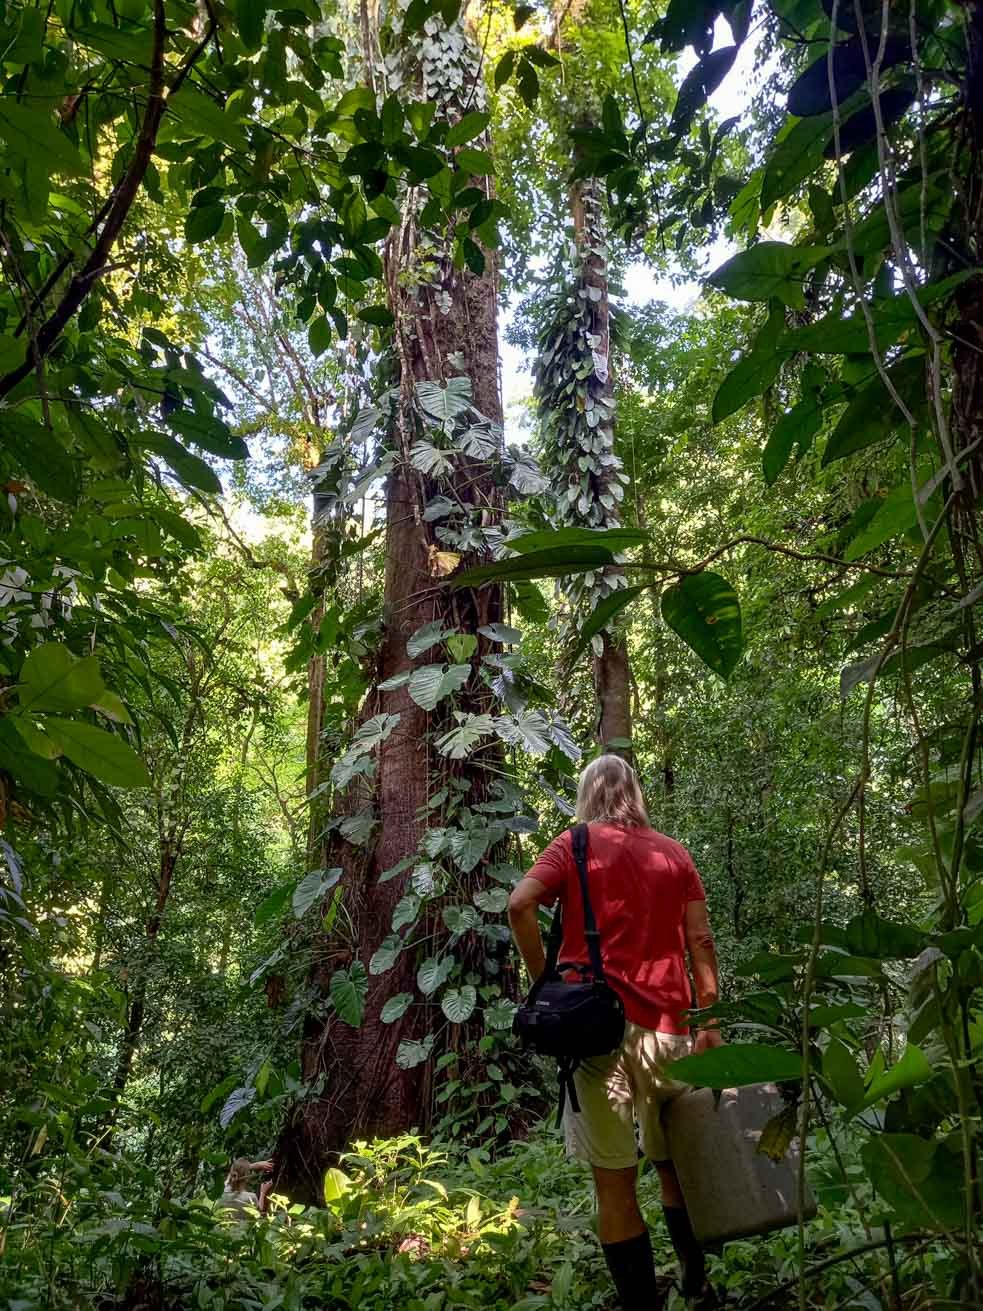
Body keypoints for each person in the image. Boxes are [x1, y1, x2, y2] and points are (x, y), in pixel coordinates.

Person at [508, 754, 721, 1310]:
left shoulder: (573, 844)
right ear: (636, 794)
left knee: (615, 1183)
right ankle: (696, 1283)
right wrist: (710, 1023)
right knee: (672, 1164)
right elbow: (700, 941)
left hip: (596, 1034)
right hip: (670, 1032)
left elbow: (519, 904)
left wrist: (545, 982)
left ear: (586, 795)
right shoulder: (675, 854)